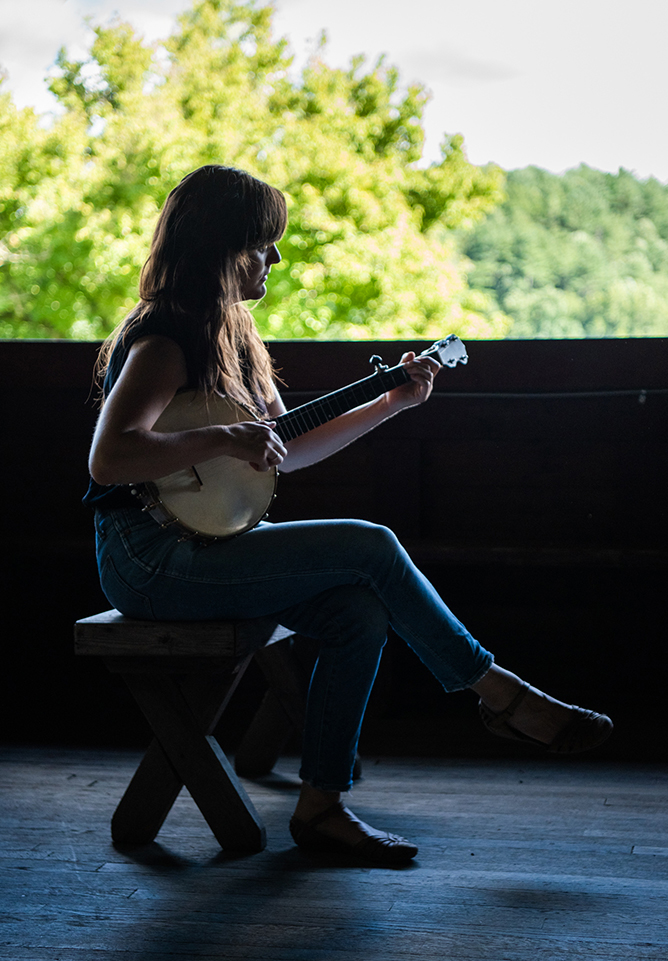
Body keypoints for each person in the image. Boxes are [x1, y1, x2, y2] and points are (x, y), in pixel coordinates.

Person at [85, 164, 613, 865]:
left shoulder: (235, 338)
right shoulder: (164, 339)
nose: (276, 257)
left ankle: (323, 806)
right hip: (146, 557)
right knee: (371, 543)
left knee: (357, 612)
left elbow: (285, 451)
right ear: (219, 248)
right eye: (262, 244)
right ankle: (501, 693)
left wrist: (391, 403)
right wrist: (221, 436)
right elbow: (109, 460)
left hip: (211, 546)